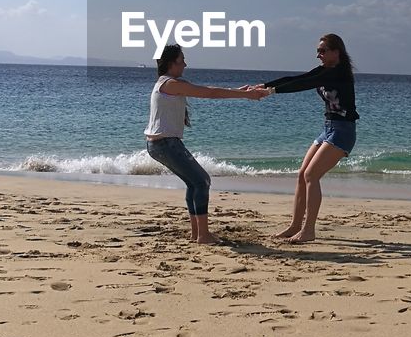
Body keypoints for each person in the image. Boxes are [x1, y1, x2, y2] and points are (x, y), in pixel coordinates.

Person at [145, 43, 267, 244]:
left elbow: (209, 91)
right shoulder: (170, 84)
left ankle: (197, 233)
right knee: (202, 181)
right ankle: (203, 235)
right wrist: (245, 95)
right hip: (165, 144)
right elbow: (209, 93)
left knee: (194, 183)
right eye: (181, 60)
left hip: (160, 145)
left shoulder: (166, 83)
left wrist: (237, 90)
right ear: (170, 64)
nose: (185, 63)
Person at [255, 33, 358, 243]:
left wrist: (273, 91)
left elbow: (305, 84)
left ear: (335, 52)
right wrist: (264, 86)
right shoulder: (325, 70)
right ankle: (294, 226)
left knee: (312, 175)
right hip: (328, 128)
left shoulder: (339, 73)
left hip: (343, 131)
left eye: (322, 51)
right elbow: (298, 79)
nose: (318, 55)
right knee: (302, 174)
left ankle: (308, 230)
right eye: (318, 51)